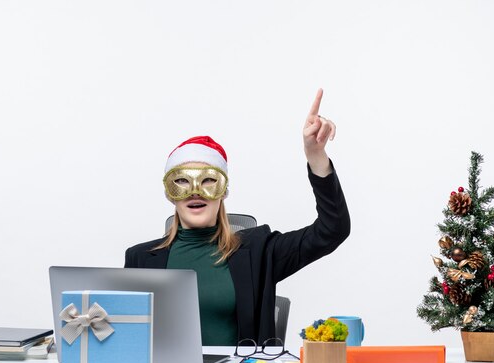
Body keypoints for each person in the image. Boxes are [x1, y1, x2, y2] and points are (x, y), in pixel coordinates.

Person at [124, 89, 350, 345]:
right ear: (170, 192)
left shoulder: (259, 251)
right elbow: (128, 340)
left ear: (224, 191)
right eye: (182, 182)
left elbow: (333, 229)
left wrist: (316, 157)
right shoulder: (140, 259)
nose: (195, 191)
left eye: (209, 180)